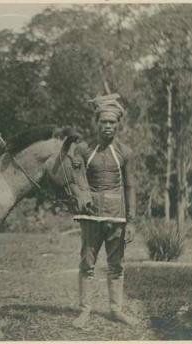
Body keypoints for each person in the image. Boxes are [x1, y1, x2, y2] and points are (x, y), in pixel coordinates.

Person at [71, 93, 138, 328]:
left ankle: (116, 309)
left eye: (112, 122)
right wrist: (82, 198)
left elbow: (130, 186)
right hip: (91, 217)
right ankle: (84, 310)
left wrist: (131, 221)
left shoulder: (125, 152)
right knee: (87, 264)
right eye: (104, 122)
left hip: (117, 217)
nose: (108, 126)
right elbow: (77, 181)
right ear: (97, 123)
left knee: (116, 264)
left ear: (118, 124)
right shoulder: (83, 150)